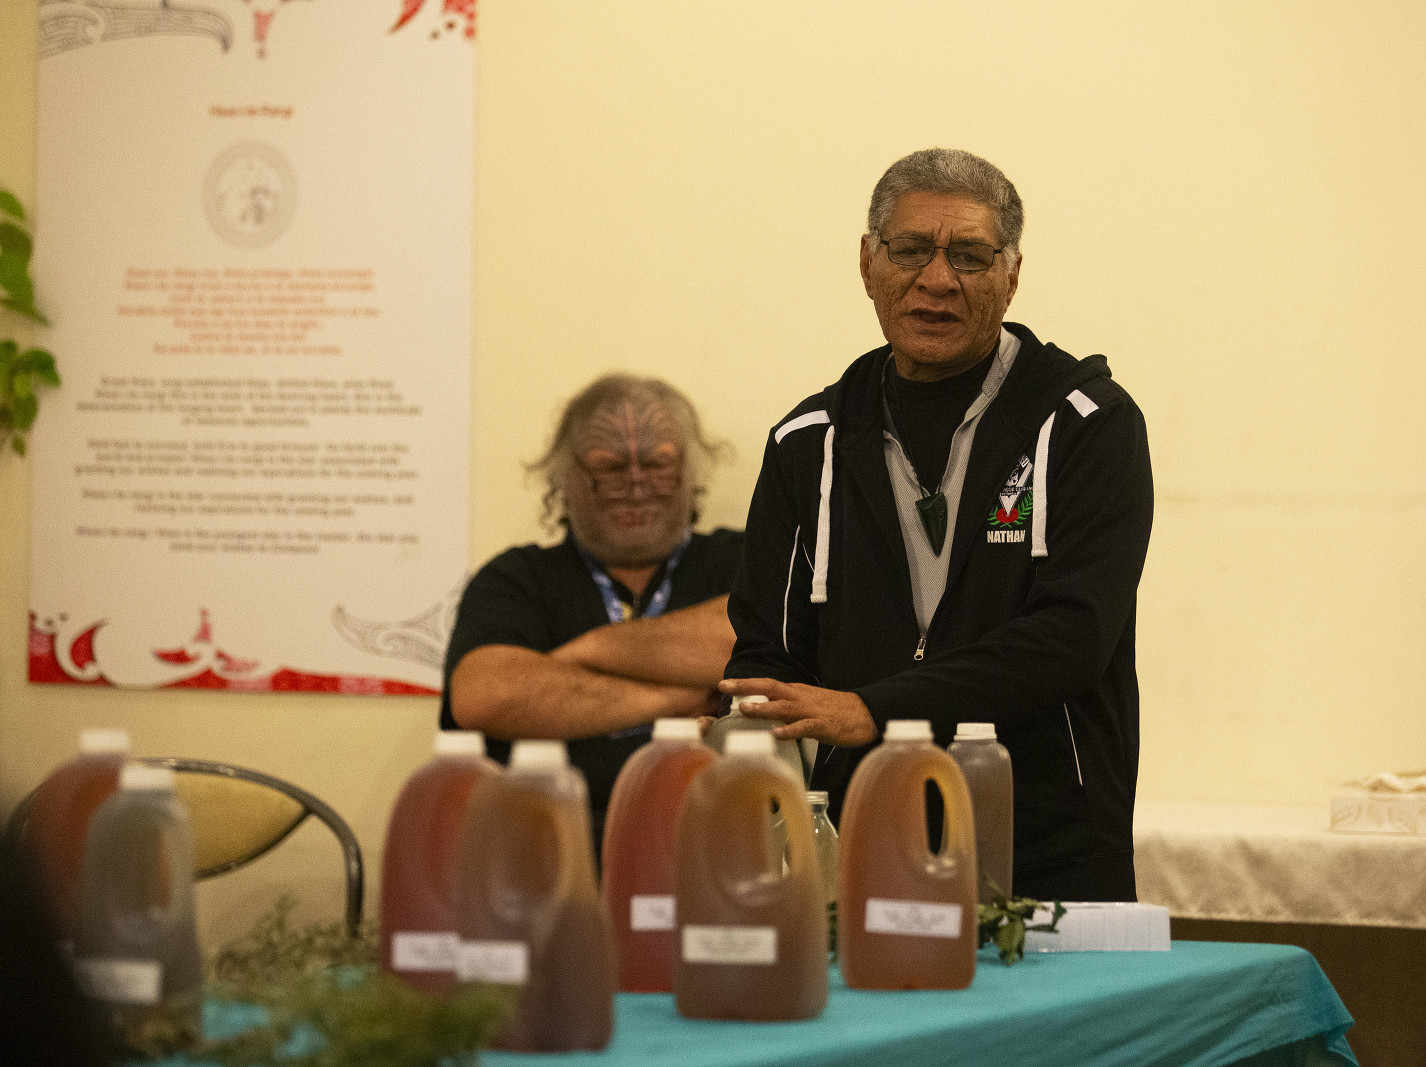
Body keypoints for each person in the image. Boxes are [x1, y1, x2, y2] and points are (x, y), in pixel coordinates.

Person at [720, 148, 1154, 902]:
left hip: (1050, 850)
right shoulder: (808, 443)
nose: (938, 279)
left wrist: (874, 709)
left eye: (971, 256)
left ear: (1011, 275)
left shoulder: (1087, 425)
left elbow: (1072, 639)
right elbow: (769, 659)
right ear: (868, 263)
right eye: (912, 250)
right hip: (861, 842)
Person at [441, 374, 741, 856]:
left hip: (711, 849)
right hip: (542, 852)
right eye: (610, 467)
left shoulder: (740, 559)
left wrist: (588, 652)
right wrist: (680, 694)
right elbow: (488, 694)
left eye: (658, 464)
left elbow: (746, 632)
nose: (637, 486)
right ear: (564, 480)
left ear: (690, 472)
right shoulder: (516, 578)